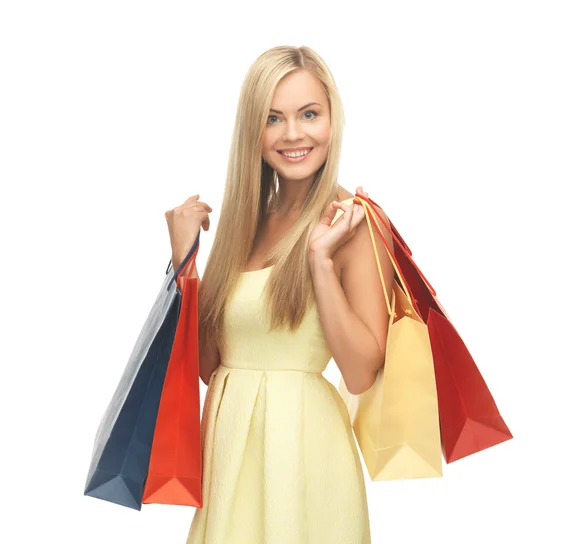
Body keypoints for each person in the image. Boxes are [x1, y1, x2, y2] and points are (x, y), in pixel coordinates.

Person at [165, 45, 394, 544]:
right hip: (228, 455)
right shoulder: (246, 223)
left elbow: (360, 373)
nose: (293, 134)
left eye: (309, 114)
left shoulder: (354, 223)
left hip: (304, 451)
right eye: (273, 118)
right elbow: (209, 367)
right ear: (254, 129)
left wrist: (320, 263)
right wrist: (186, 264)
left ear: (332, 120)